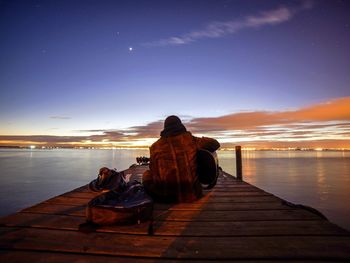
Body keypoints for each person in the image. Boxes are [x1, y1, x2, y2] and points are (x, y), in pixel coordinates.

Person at [142, 115, 220, 203]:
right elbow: (215, 143)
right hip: (192, 195)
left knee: (146, 174)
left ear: (165, 127)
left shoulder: (155, 146)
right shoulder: (190, 139)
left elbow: (153, 171)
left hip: (165, 197)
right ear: (180, 125)